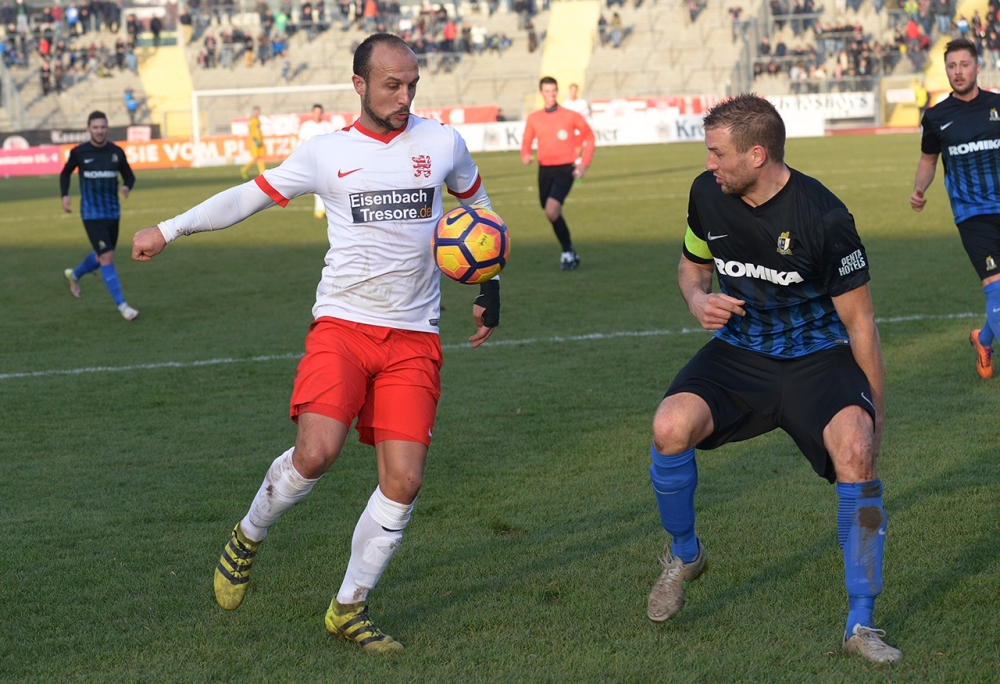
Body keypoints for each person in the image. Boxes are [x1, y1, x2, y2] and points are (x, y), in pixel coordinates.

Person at [131, 33, 501, 652]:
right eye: (392, 85)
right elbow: (250, 196)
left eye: (412, 84)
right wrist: (170, 228)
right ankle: (248, 535)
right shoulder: (327, 153)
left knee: (404, 481)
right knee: (316, 454)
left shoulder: (442, 143)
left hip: (414, 334)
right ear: (359, 85)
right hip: (343, 327)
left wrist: (489, 282)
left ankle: (348, 609)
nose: (405, 96)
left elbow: (477, 205)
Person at [647, 94, 900, 665]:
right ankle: (684, 554)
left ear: (756, 154)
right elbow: (693, 266)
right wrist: (696, 300)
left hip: (818, 358)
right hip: (741, 352)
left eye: (718, 154)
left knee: (856, 453)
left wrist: (875, 413)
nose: (710, 164)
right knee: (669, 426)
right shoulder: (707, 194)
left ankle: (861, 623)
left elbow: (860, 322)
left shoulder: (825, 217)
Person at [911, 38, 1000, 379]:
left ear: (978, 67)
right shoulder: (936, 116)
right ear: (946, 70)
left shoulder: (997, 105)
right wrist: (919, 190)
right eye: (952, 66)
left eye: (964, 65)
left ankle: (983, 339)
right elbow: (928, 159)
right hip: (972, 214)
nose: (958, 72)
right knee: (995, 287)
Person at [60, 110, 139, 321]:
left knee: (101, 256)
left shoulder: (116, 152)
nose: (99, 131)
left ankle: (74, 275)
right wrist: (65, 195)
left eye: (102, 127)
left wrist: (126, 187)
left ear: (107, 128)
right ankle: (123, 306)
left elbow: (130, 176)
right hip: (91, 214)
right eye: (95, 127)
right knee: (107, 256)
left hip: (113, 213)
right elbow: (65, 173)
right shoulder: (80, 152)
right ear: (88, 129)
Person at [520, 76, 595, 270]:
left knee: (551, 211)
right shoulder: (534, 118)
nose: (551, 94)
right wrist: (526, 155)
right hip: (544, 170)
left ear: (557, 92)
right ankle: (570, 251)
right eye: (547, 91)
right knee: (551, 212)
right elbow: (527, 141)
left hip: (565, 169)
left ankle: (567, 252)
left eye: (554, 90)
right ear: (541, 93)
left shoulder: (570, 115)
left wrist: (584, 164)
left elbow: (589, 137)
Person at [296, 103, 335, 218]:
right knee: (318, 184)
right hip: (311, 160)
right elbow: (300, 142)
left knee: (327, 184)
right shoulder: (306, 126)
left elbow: (333, 142)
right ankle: (320, 210)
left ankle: (323, 210)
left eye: (319, 112)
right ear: (312, 113)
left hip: (325, 160)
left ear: (322, 113)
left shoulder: (327, 126)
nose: (317, 114)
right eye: (315, 112)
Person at [240, 105, 265, 179]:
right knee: (255, 158)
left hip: (259, 141)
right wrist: (255, 140)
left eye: (258, 111)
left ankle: (262, 173)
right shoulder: (252, 120)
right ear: (253, 112)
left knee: (260, 157)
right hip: (255, 142)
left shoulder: (258, 120)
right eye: (255, 112)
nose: (257, 113)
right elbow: (250, 131)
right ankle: (245, 169)